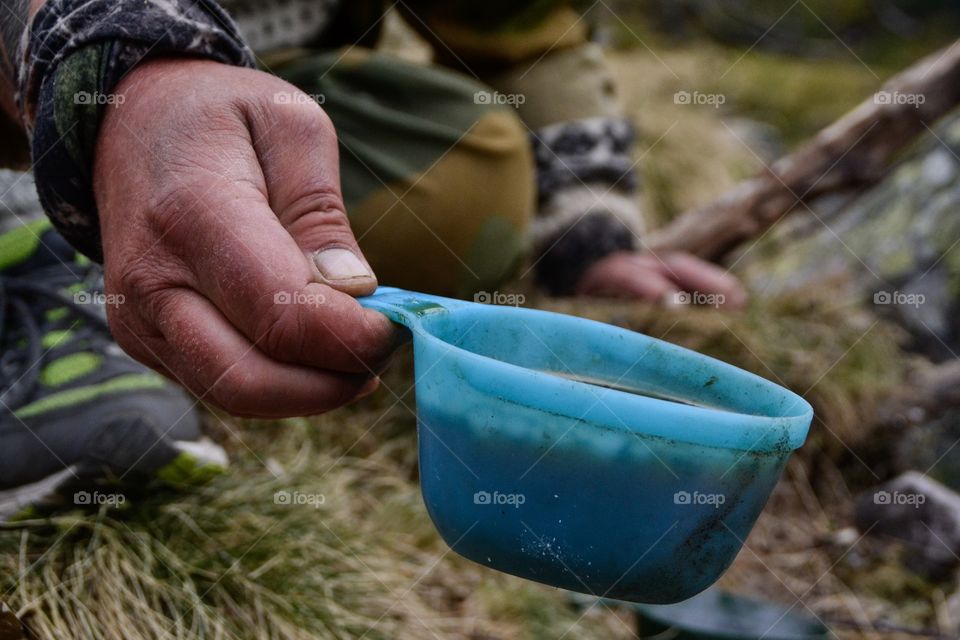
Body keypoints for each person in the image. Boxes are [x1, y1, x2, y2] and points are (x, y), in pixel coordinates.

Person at [0, 0, 743, 517]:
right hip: (45, 49)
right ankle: (44, 248)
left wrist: (588, 235)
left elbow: (521, 30)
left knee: (466, 186)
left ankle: (187, 226)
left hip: (267, 70)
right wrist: (119, 64)